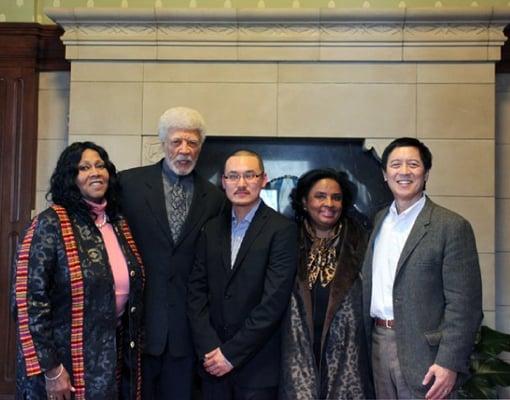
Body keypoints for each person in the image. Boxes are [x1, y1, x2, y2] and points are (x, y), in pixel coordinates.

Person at [12, 142, 144, 400]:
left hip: (108, 356)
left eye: (100, 165)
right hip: (62, 361)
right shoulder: (50, 223)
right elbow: (28, 301)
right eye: (84, 168)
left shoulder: (117, 223)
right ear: (70, 178)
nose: (95, 172)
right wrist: (51, 369)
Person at [362, 137, 483, 399]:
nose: (403, 172)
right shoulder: (380, 220)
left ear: (426, 173)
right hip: (378, 343)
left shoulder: (451, 226)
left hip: (427, 356)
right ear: (385, 174)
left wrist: (449, 362)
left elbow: (465, 305)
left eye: (413, 164)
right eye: (395, 164)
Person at [119, 107, 224, 399]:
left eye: (192, 143)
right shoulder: (128, 185)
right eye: (177, 141)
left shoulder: (215, 198)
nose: (184, 150)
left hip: (186, 334)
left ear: (200, 148)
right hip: (136, 328)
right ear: (163, 143)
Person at [187, 150, 297, 400]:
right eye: (233, 176)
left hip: (257, 367)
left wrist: (231, 354)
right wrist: (210, 349)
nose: (242, 184)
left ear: (263, 179)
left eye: (250, 175)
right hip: (211, 363)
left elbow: (273, 303)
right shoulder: (211, 228)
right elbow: (196, 292)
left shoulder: (282, 230)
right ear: (223, 181)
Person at [279, 169, 374, 400]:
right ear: (304, 201)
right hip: (296, 353)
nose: (329, 204)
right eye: (320, 196)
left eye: (336, 197)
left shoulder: (363, 241)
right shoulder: (285, 239)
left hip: (349, 357)